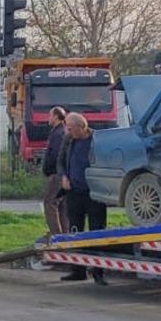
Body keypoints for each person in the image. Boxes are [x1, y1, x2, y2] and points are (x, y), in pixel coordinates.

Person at [57, 112, 108, 285]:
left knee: (96, 232)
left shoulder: (97, 140)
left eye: (71, 129)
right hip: (74, 191)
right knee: (75, 231)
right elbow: (61, 161)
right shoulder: (69, 140)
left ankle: (98, 272)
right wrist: (63, 176)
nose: (69, 132)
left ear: (81, 127)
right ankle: (78, 270)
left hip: (94, 193)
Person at [42, 106, 69, 236]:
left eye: (50, 115)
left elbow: (56, 155)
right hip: (61, 174)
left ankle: (56, 234)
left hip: (56, 174)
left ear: (57, 117)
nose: (48, 118)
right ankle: (65, 233)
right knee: (61, 205)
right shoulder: (60, 131)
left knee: (50, 203)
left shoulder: (59, 134)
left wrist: (51, 170)